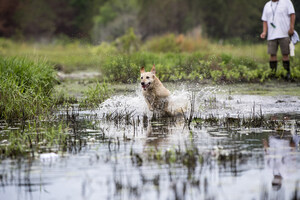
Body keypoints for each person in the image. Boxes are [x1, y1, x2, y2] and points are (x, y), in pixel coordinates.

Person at [260, 0, 296, 79]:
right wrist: (264, 32)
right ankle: (273, 74)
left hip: (284, 33)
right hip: (271, 35)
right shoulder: (267, 5)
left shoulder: (287, 2)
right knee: (272, 54)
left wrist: (291, 28)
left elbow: (292, 15)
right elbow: (264, 20)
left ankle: (287, 74)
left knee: (285, 54)